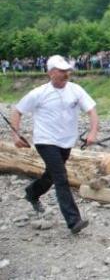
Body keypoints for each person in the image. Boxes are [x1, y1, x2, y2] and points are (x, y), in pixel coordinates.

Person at [11, 55, 98, 234]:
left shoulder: (76, 90)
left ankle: (32, 193)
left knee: (50, 176)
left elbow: (92, 111)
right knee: (61, 177)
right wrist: (16, 135)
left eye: (67, 70)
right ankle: (74, 221)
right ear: (51, 73)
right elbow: (17, 111)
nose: (66, 74)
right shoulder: (39, 93)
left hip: (66, 141)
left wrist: (93, 132)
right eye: (61, 71)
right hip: (45, 141)